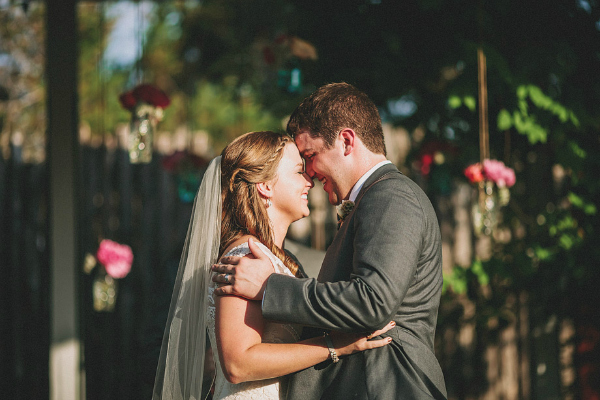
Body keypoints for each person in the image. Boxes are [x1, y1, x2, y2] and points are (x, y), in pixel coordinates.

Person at [212, 83, 448, 399]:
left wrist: (269, 287)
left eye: (310, 156)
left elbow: (372, 302)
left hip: (386, 384)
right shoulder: (373, 200)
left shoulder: (391, 196)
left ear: (346, 141)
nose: (309, 173)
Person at [152, 131, 394, 400]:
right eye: (298, 171)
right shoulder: (244, 257)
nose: (309, 182)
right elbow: (238, 363)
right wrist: (333, 346)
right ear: (265, 185)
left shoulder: (274, 260)